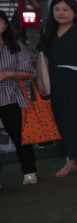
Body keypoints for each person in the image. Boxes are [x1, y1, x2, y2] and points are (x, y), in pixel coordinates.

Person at [37, 0, 77, 179]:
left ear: (74, 12)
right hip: (55, 83)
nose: (61, 13)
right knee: (62, 121)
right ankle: (70, 161)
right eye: (57, 9)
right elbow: (41, 58)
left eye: (65, 9)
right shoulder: (48, 32)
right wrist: (40, 81)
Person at [0, 10, 37, 186]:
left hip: (11, 96)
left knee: (20, 136)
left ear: (6, 25)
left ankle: (29, 171)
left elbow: (28, 72)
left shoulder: (16, 46)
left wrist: (8, 73)